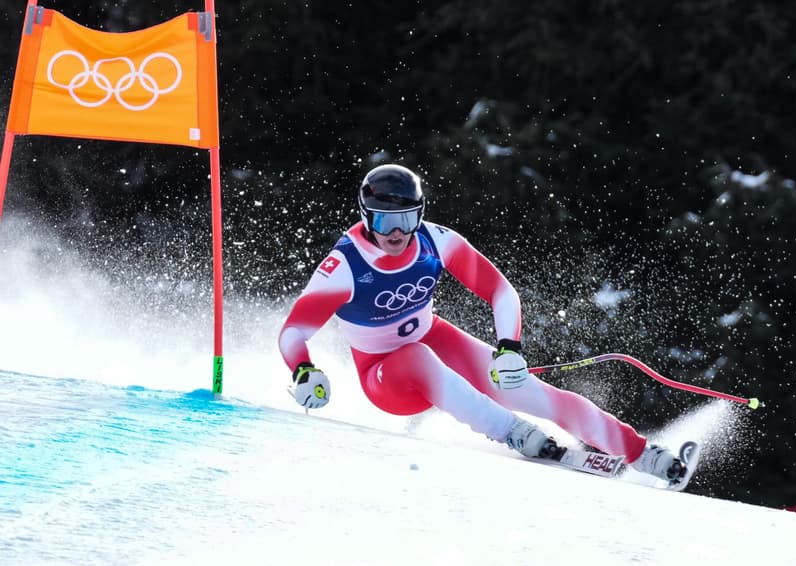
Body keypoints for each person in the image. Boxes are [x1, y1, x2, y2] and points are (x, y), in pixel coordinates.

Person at [278, 163, 685, 484]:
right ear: (367, 218)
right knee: (417, 355)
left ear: (420, 214)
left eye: (406, 218)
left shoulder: (437, 242)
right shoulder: (343, 268)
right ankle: (513, 432)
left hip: (436, 341)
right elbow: (294, 331)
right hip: (385, 376)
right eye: (385, 221)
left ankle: (642, 453)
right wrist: (303, 370)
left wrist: (510, 346)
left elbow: (501, 291)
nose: (397, 232)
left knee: (524, 387)